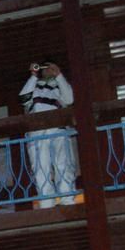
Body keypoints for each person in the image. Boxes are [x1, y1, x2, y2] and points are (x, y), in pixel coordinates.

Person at [19, 61, 80, 209]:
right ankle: (46, 203)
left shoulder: (60, 87)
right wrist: (33, 76)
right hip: (37, 133)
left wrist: (58, 75)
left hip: (58, 130)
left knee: (63, 164)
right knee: (41, 168)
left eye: (50, 68)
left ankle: (67, 200)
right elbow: (23, 98)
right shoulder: (34, 87)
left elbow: (70, 99)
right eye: (44, 68)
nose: (47, 70)